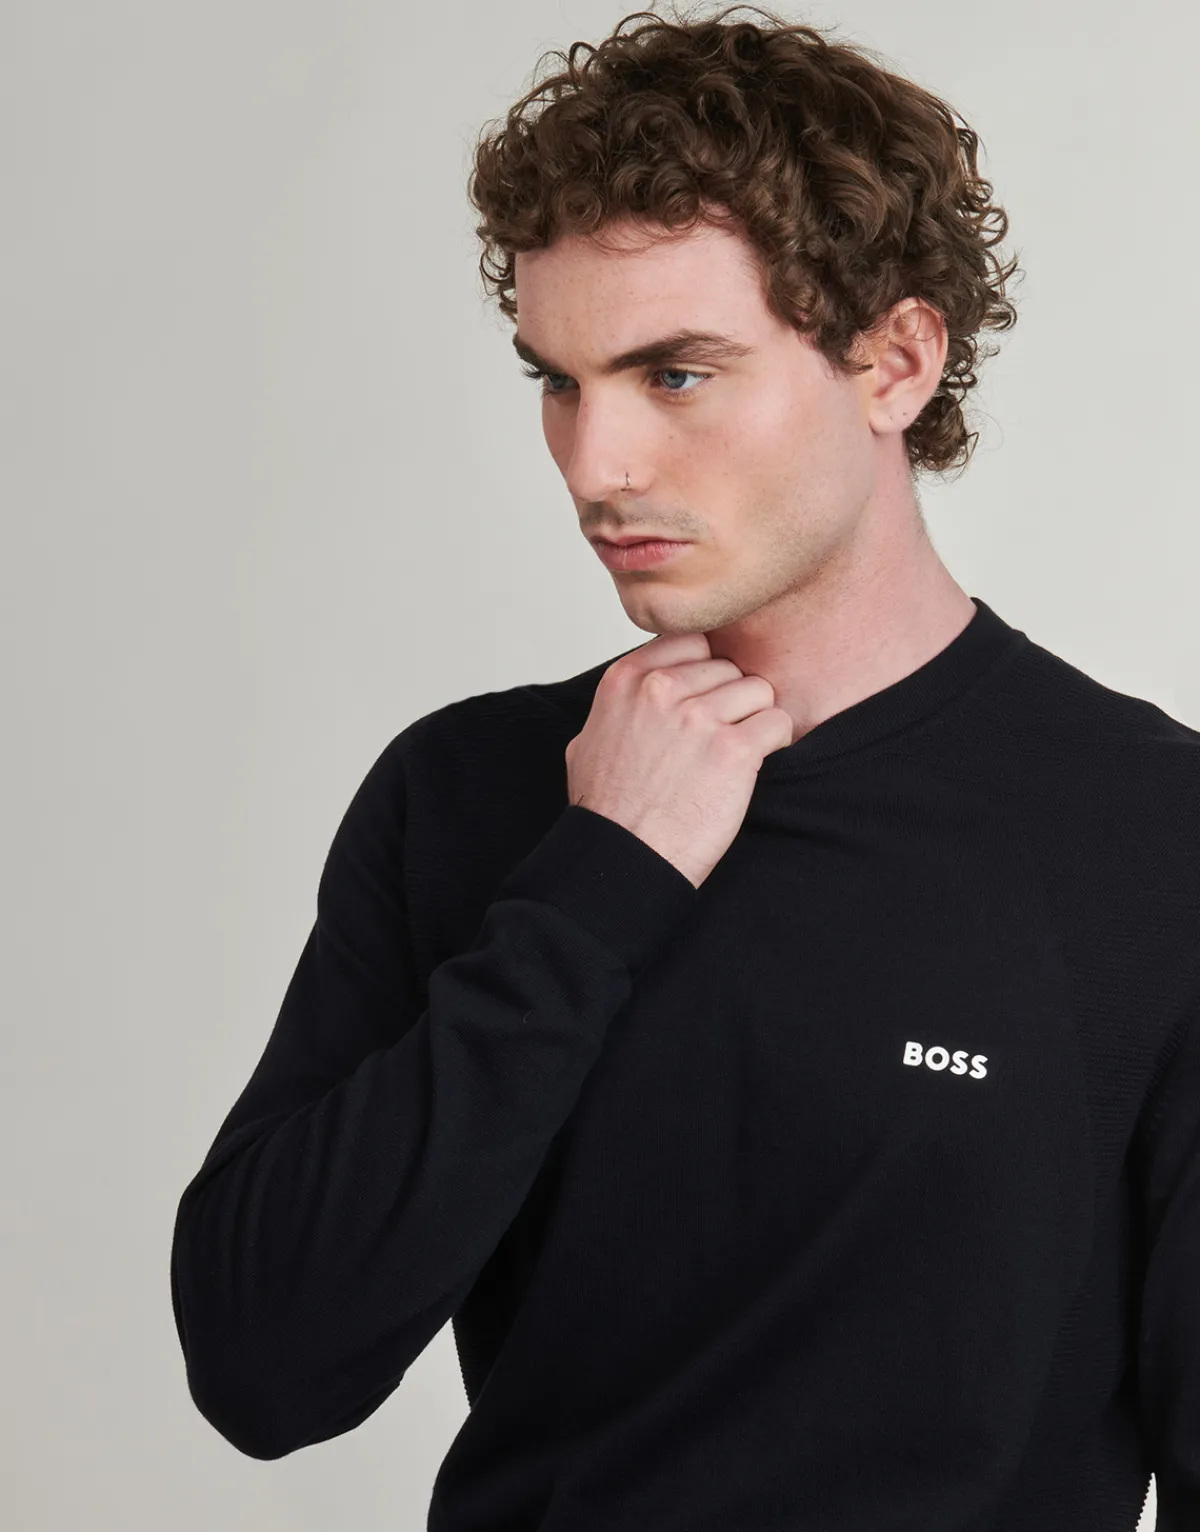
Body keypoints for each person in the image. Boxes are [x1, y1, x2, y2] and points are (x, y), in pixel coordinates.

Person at [170, 7, 1197, 1528]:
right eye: (560, 380)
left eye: (676, 374)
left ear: (895, 360)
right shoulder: (468, 794)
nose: (598, 465)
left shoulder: (1151, 838)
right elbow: (262, 1368)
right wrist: (601, 880)